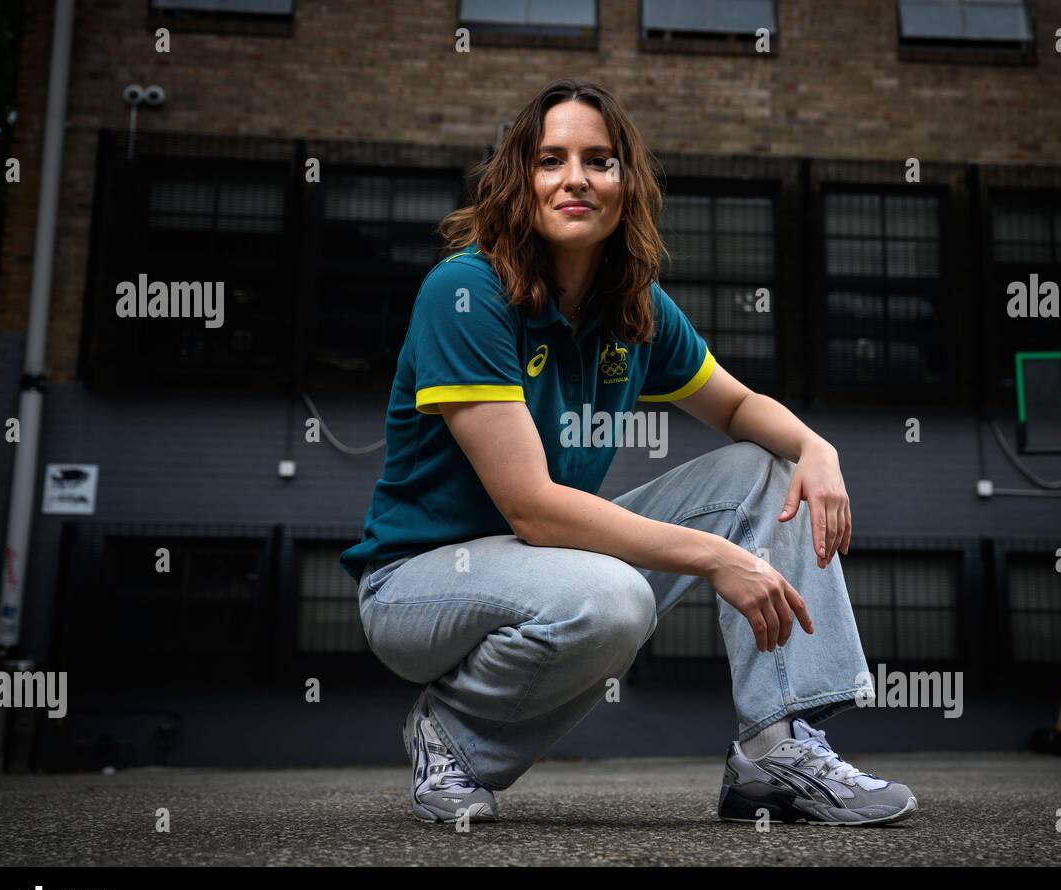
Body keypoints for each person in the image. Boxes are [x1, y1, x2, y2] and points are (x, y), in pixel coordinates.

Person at [341, 78, 918, 827]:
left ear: (626, 184)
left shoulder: (635, 306)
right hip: (419, 586)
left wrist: (818, 447)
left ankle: (775, 751)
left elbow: (739, 407)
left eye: (599, 160)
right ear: (522, 181)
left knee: (771, 469)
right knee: (613, 601)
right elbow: (533, 507)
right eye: (551, 160)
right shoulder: (465, 294)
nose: (575, 177)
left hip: (540, 560)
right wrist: (716, 556)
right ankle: (450, 737)